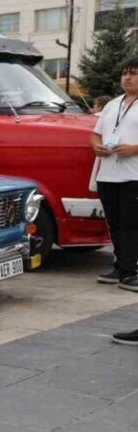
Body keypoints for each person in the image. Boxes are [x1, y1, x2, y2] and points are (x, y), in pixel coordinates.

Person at [91, 57, 138, 290]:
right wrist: (97, 146)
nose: (127, 78)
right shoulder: (112, 104)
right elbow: (96, 134)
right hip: (108, 175)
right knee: (115, 225)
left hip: (133, 176)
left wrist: (134, 149)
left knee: (131, 225)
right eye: (124, 73)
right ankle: (120, 267)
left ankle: (130, 272)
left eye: (133, 73)